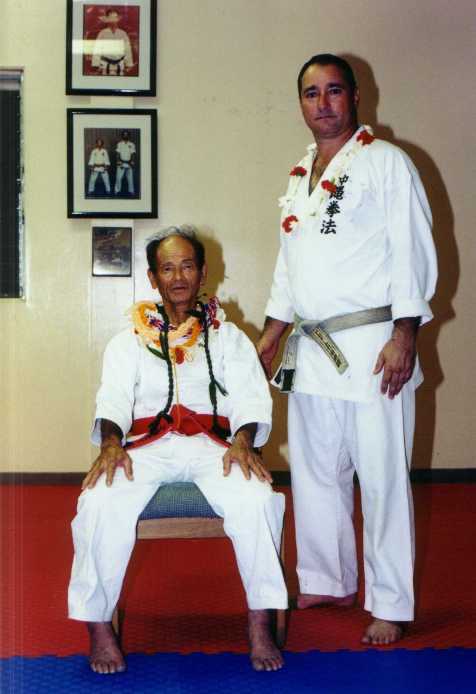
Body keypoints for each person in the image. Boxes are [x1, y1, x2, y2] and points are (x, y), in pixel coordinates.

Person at [257, 54, 437, 646]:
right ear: (301, 104)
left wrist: (405, 335)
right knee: (314, 471)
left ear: (356, 97)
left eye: (334, 91)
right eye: (311, 93)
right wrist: (271, 334)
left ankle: (390, 600)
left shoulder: (387, 163)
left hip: (371, 345)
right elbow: (291, 267)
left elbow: (412, 253)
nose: (323, 103)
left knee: (382, 476)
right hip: (310, 349)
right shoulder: (299, 173)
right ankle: (327, 576)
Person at [68, 225, 287, 674]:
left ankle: (260, 619)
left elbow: (249, 397)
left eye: (187, 265)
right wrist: (111, 444)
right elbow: (111, 398)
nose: (178, 276)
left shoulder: (229, 337)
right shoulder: (126, 341)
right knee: (97, 502)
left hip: (215, 448)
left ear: (203, 272)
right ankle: (97, 625)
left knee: (259, 499)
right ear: (153, 278)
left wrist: (243, 441)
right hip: (146, 448)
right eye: (167, 268)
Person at [90, 9, 134, 76]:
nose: (113, 22)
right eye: (111, 20)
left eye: (114, 19)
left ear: (117, 20)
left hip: (119, 66)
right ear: (107, 21)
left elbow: (127, 49)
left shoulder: (123, 33)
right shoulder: (102, 33)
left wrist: (128, 64)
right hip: (105, 66)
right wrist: (96, 64)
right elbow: (97, 49)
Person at [114, 131, 136, 195]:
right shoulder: (119, 144)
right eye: (124, 135)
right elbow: (117, 153)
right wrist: (118, 161)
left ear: (129, 136)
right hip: (121, 162)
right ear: (122, 136)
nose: (125, 136)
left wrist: (132, 161)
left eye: (126, 135)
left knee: (130, 178)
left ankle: (131, 190)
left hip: (129, 162)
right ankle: (117, 190)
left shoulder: (132, 144)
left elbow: (133, 154)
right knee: (118, 177)